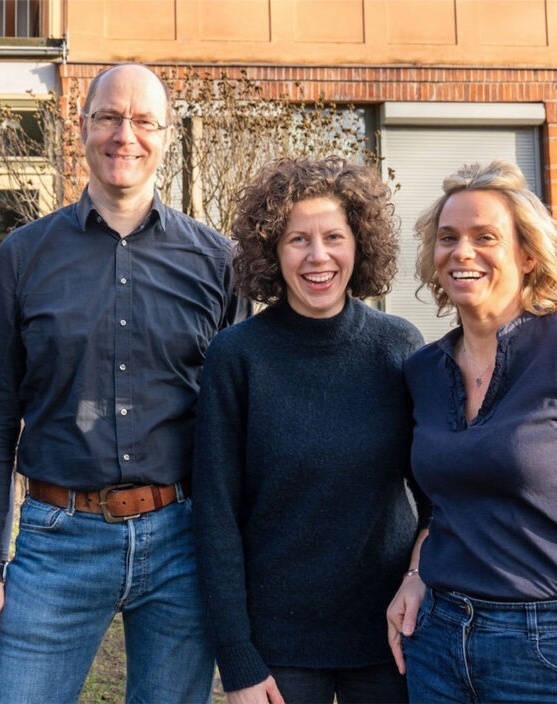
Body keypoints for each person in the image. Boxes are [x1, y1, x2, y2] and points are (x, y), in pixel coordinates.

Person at [0, 63, 234, 703]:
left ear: (167, 136)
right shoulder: (23, 257)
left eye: (142, 121)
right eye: (108, 117)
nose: (123, 135)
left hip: (182, 541)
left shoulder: (216, 261)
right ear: (81, 128)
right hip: (59, 539)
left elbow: (235, 420)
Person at [193, 157, 427, 704]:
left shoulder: (399, 347)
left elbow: (435, 497)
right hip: (278, 651)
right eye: (298, 239)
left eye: (333, 237)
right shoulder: (237, 355)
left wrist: (418, 576)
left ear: (359, 245)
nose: (318, 257)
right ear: (272, 251)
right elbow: (216, 514)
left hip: (390, 637)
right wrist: (238, 658)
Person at [386, 160, 557, 702]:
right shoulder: (422, 370)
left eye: (486, 237)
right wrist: (414, 576)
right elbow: (440, 503)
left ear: (527, 255)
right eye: (448, 238)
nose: (463, 252)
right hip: (437, 639)